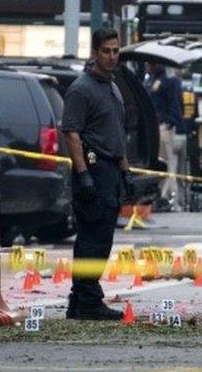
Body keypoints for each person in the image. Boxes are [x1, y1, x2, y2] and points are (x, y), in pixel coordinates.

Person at [62, 28, 135, 321]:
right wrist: (83, 174)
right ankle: (88, 300)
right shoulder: (82, 89)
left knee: (101, 237)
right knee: (92, 238)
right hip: (93, 168)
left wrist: (126, 172)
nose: (112, 56)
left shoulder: (112, 87)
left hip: (110, 169)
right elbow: (72, 134)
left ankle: (80, 299)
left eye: (116, 51)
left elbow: (116, 135)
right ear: (95, 53)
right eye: (106, 51)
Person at [145, 62, 186, 211]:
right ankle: (161, 195)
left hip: (163, 126)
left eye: (149, 63)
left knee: (167, 163)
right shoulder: (149, 80)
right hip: (152, 127)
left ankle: (167, 197)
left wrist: (170, 122)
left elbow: (174, 104)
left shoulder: (168, 80)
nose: (146, 65)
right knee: (158, 163)